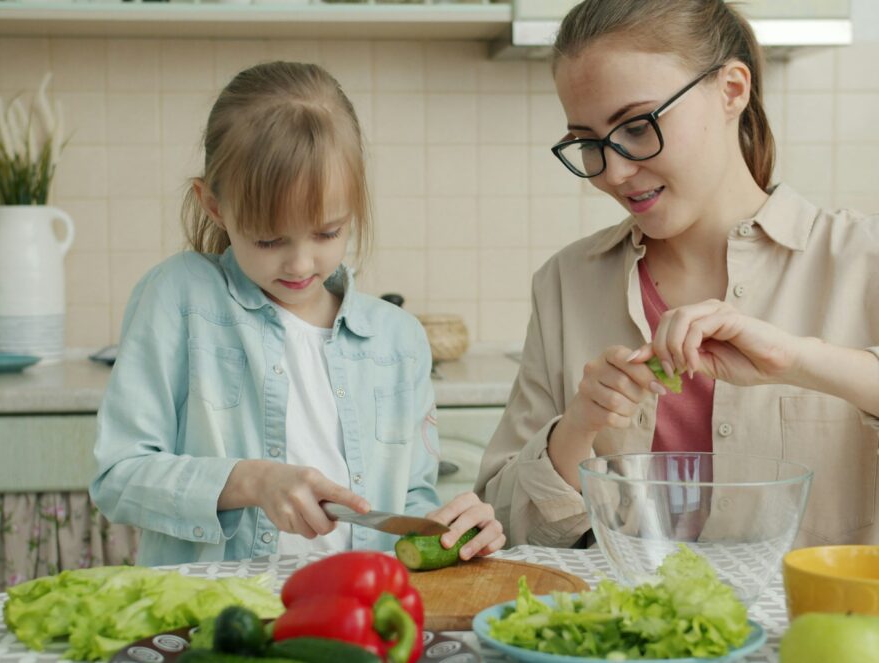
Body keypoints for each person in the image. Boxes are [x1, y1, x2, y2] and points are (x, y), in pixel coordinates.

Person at [476, 0, 879, 549]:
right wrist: (576, 430)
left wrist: (799, 360)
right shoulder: (565, 284)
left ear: (732, 89)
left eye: (637, 126)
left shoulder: (861, 259)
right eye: (589, 143)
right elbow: (496, 522)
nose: (614, 173)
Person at [91, 61, 504, 565]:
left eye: (327, 232)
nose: (301, 263)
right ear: (214, 206)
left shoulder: (398, 340)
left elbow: (409, 505)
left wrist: (448, 531)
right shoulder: (179, 298)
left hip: (357, 617)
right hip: (218, 621)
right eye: (269, 238)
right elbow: (118, 477)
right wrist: (252, 481)